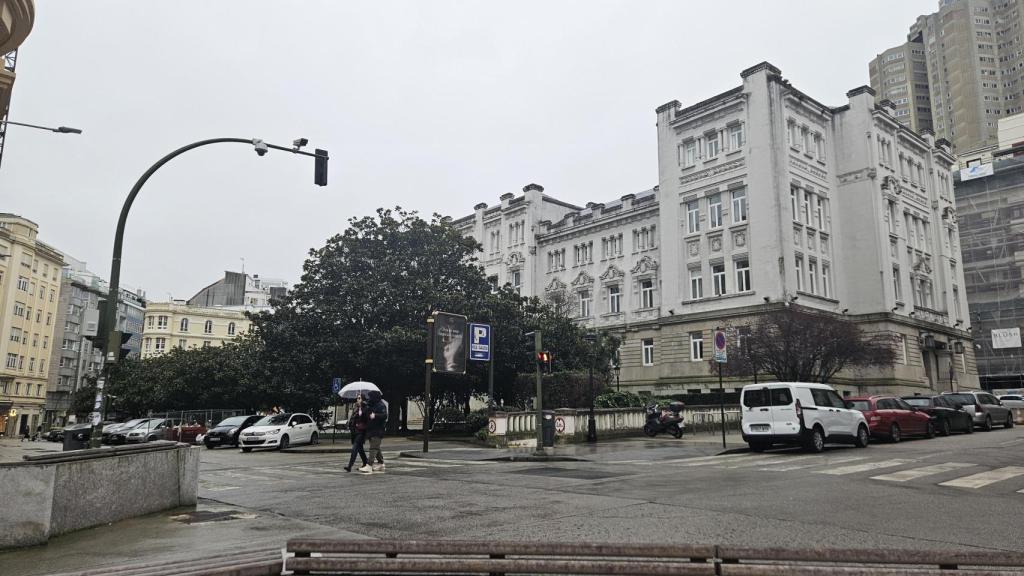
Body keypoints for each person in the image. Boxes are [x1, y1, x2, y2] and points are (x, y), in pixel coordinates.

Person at [360, 390, 388, 474]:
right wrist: (362, 408)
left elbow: (384, 415)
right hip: (371, 429)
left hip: (378, 430)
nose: (369, 398)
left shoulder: (381, 405)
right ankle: (381, 463)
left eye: (371, 396)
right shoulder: (370, 404)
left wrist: (375, 415)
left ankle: (369, 465)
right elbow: (366, 413)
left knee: (373, 448)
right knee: (376, 447)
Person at [344, 394, 369, 473]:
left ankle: (349, 466)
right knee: (360, 449)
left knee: (355, 448)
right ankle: (366, 462)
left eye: (359, 398)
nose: (357, 399)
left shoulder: (365, 407)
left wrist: (362, 413)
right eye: (357, 398)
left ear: (363, 399)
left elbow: (366, 419)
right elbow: (353, 418)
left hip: (361, 431)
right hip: (354, 431)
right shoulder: (356, 407)